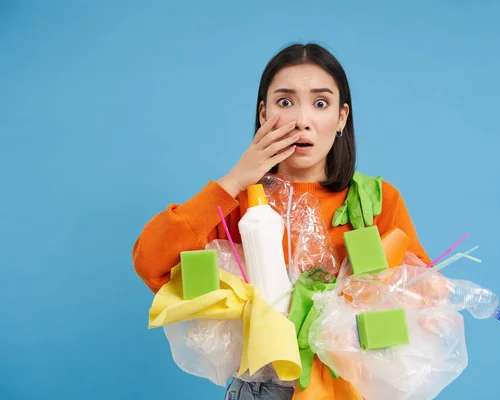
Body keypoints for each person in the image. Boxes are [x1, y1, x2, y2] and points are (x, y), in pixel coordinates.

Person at [132, 42, 431, 400]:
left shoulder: (377, 201)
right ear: (263, 114)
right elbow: (151, 263)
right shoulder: (239, 201)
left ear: (341, 118)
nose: (302, 119)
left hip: (349, 390)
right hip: (262, 388)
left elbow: (422, 293)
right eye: (285, 102)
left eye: (320, 103)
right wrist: (233, 181)